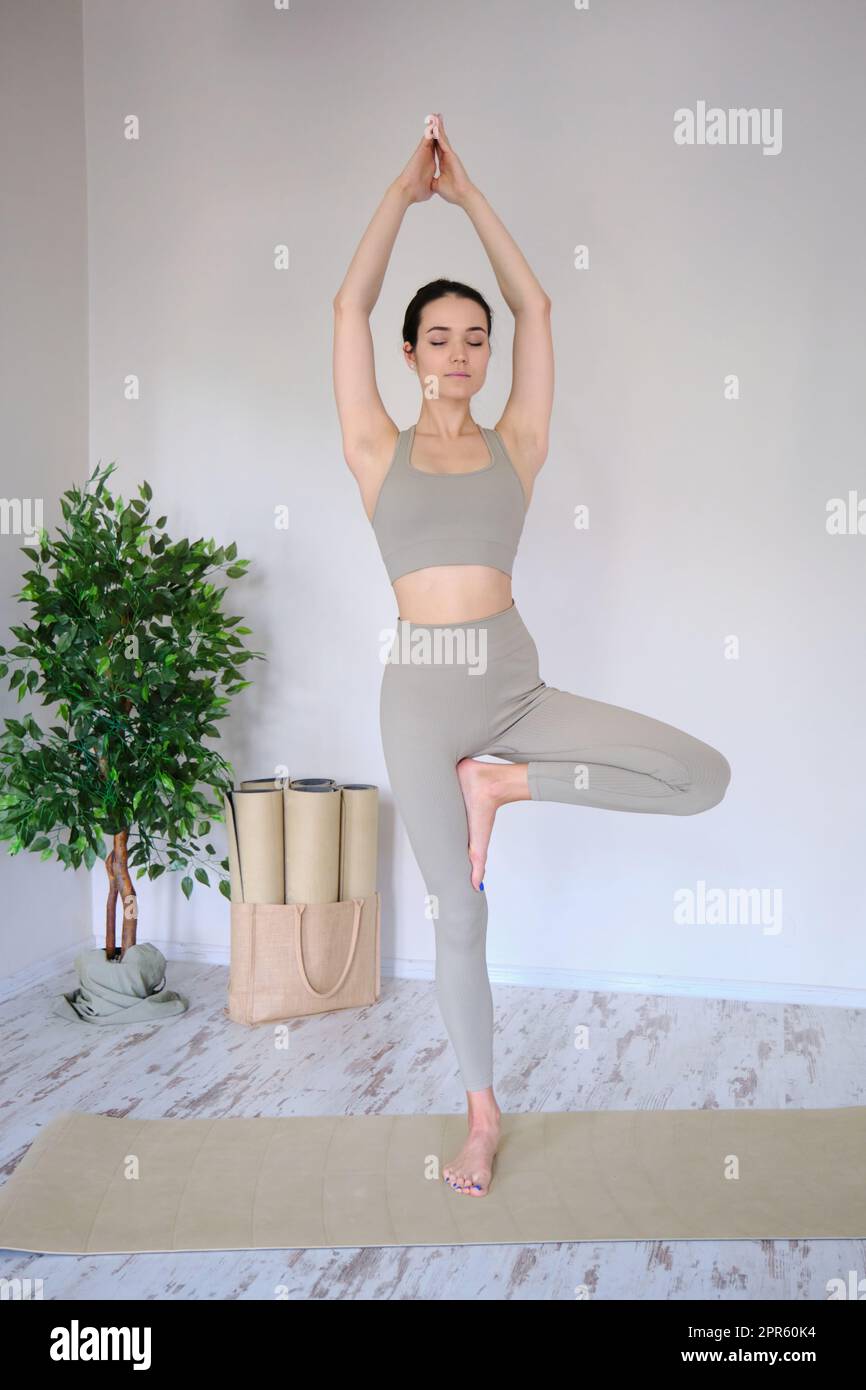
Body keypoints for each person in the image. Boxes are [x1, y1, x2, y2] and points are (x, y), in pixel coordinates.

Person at [332, 114, 730, 1197]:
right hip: (418, 696)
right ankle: (480, 1113)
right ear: (408, 356)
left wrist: (468, 200)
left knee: (701, 776)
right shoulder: (376, 447)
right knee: (457, 912)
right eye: (440, 337)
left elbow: (538, 304)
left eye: (474, 338)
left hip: (513, 685)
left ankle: (503, 785)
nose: (461, 351)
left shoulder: (519, 441)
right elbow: (347, 303)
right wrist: (399, 195)